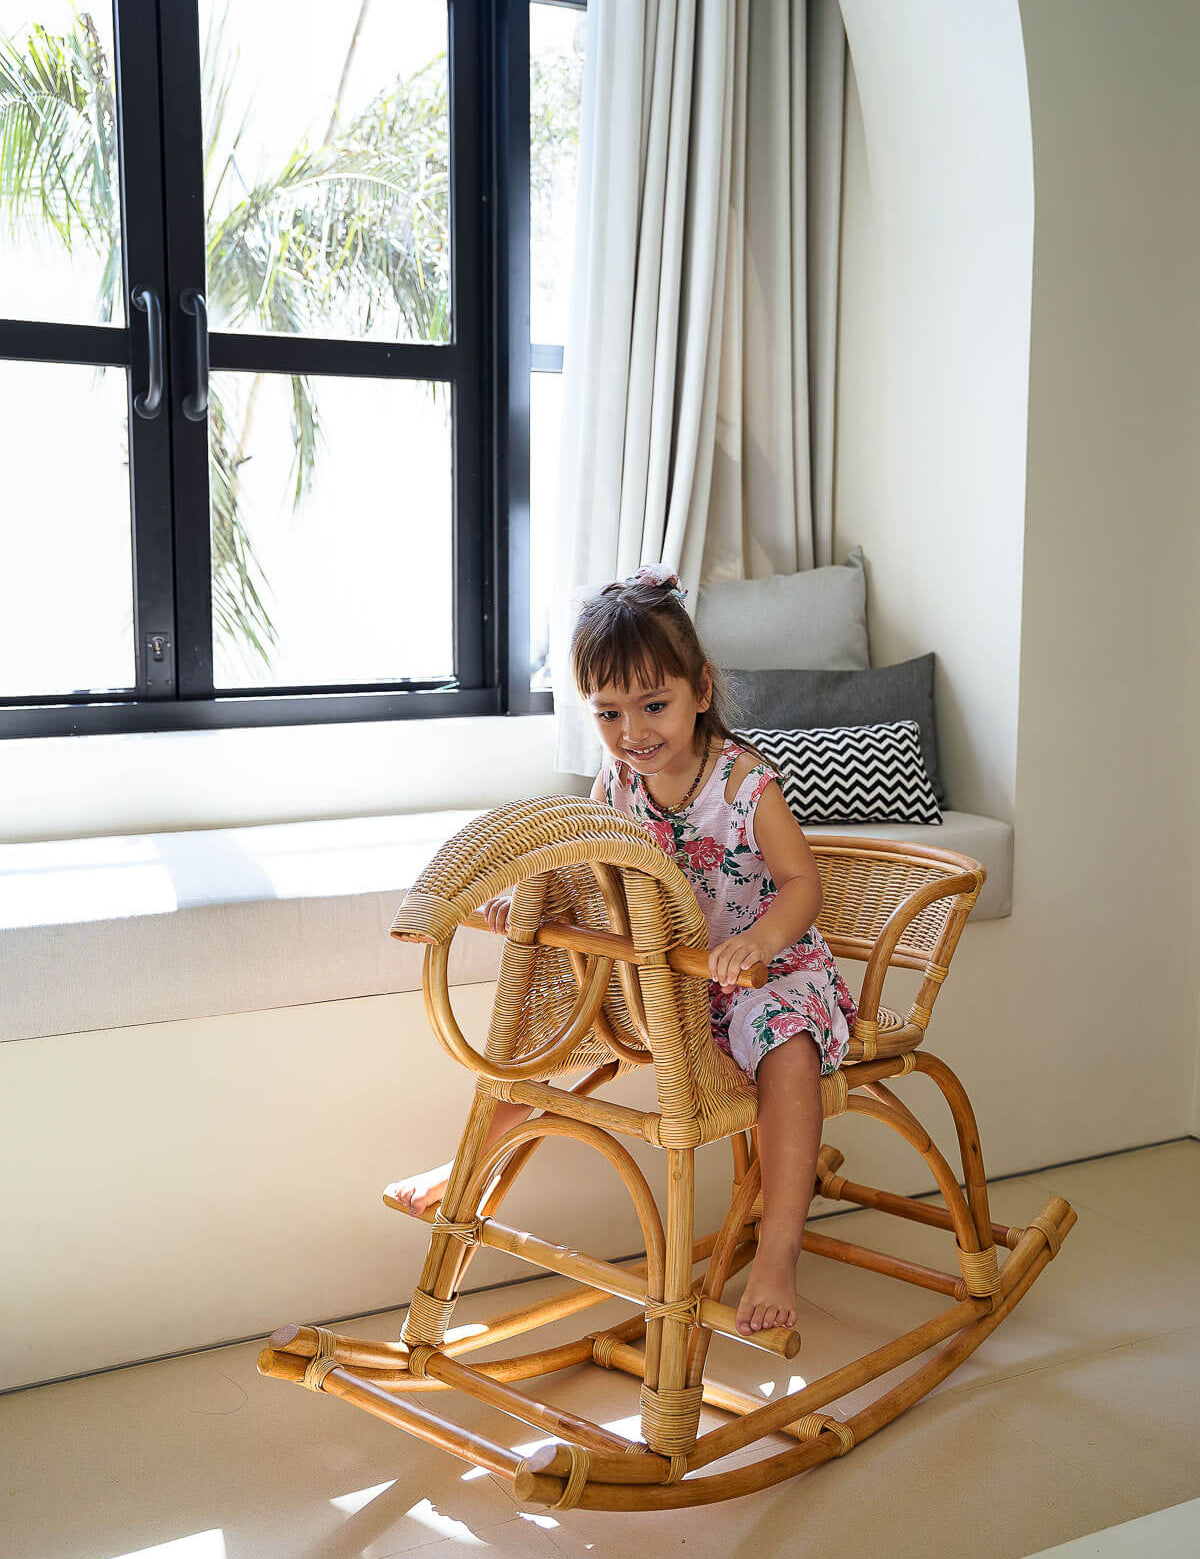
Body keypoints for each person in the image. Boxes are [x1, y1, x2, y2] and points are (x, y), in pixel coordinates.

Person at [386, 564, 857, 1337]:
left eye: (654, 705)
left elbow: (803, 882)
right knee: (558, 1017)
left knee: (789, 1050)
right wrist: (527, 903)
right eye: (609, 712)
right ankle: (470, 1161)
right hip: (669, 977)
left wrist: (760, 940)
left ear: (701, 691)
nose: (634, 732)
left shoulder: (744, 784)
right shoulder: (619, 783)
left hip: (760, 970)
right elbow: (591, 863)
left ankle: (779, 1249)